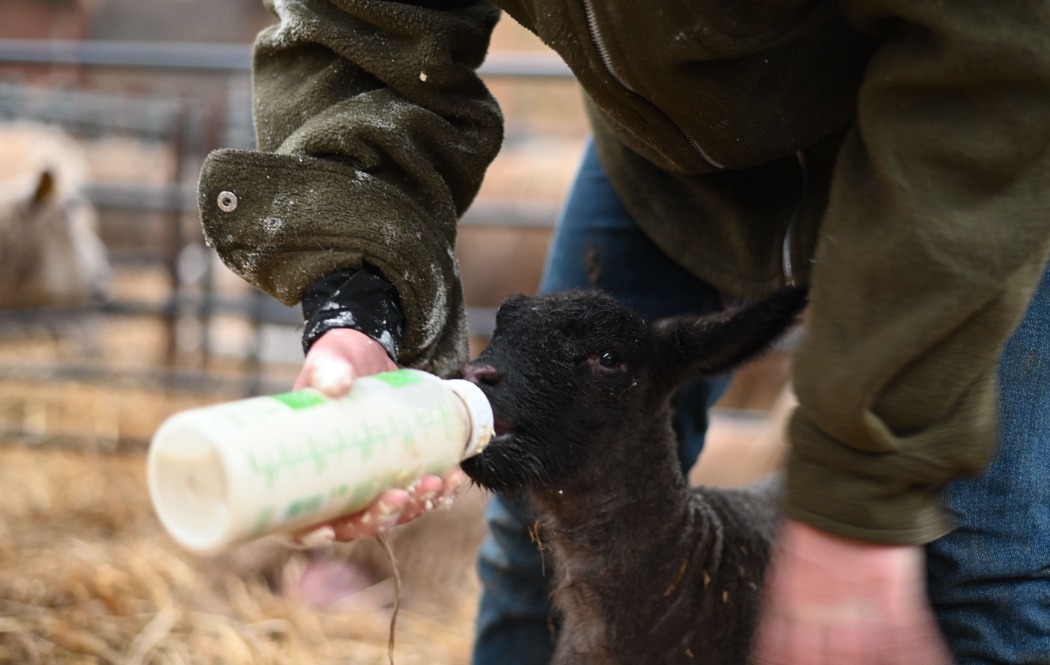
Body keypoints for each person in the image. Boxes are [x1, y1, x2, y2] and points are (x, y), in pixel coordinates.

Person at [195, 1, 1050, 663]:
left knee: (980, 551)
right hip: (677, 152)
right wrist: (358, 298)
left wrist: (862, 488)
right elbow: (363, 27)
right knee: (535, 537)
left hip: (974, 158)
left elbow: (993, 57)